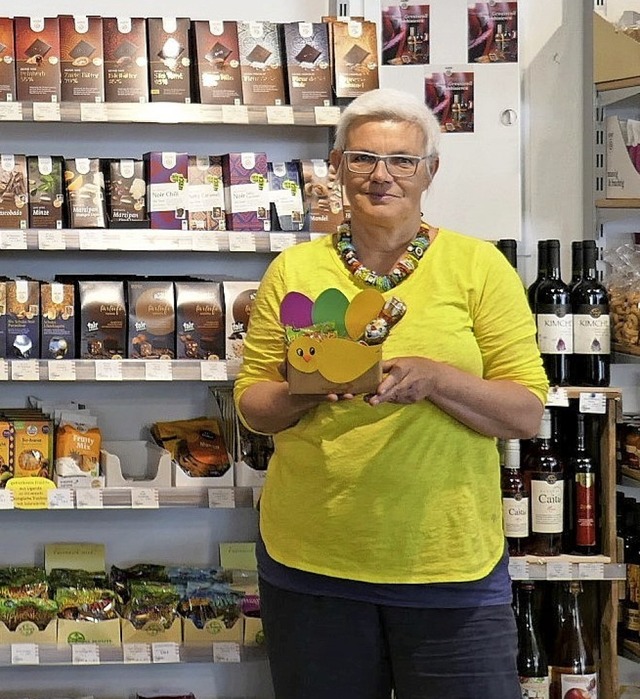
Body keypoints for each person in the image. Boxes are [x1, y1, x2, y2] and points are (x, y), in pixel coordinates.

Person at [233, 87, 548, 699]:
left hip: (448, 564)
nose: (382, 176)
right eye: (363, 159)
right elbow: (253, 405)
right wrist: (309, 388)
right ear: (337, 165)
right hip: (312, 562)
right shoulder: (295, 271)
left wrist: (436, 379)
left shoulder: (479, 267)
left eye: (402, 160)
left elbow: (526, 413)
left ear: (430, 171)